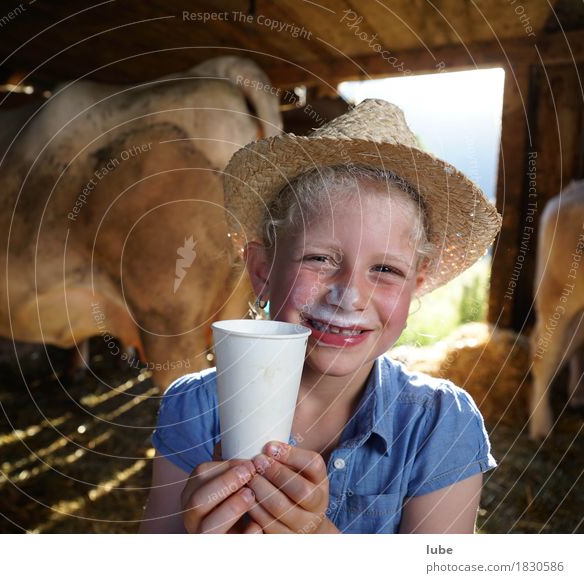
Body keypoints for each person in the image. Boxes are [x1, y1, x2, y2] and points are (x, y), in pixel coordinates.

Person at [139, 98, 502, 534]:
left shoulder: (441, 424)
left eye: (385, 270)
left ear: (417, 282)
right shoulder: (195, 407)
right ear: (262, 270)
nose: (350, 295)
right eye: (319, 259)